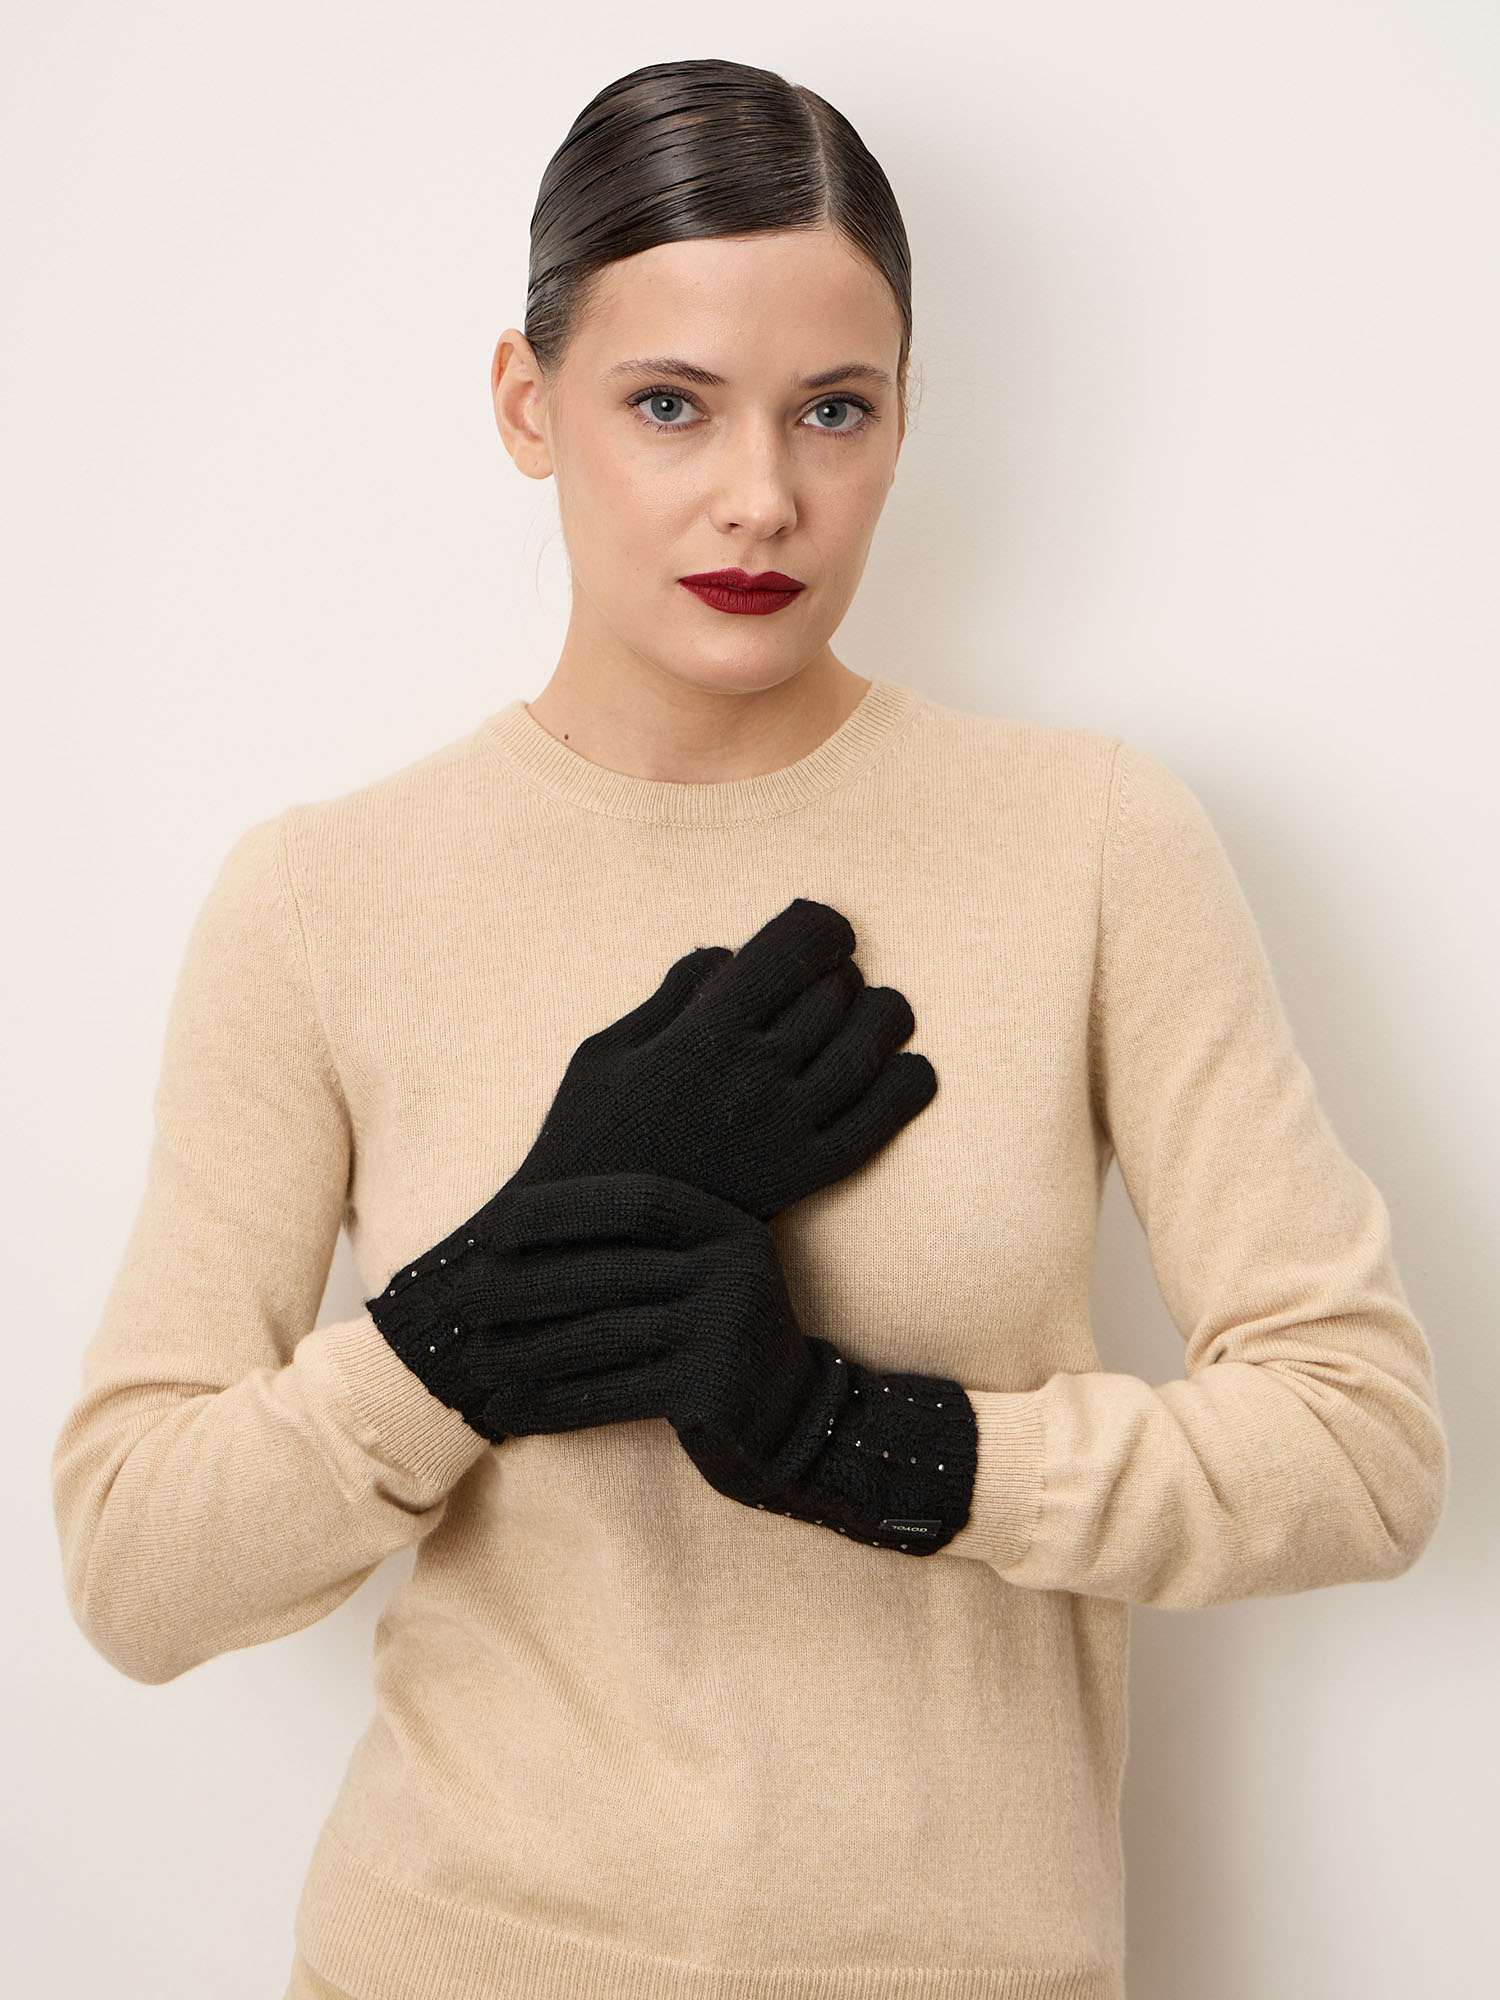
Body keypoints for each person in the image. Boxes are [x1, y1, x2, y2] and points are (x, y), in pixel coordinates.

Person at [51, 56, 1449, 2000]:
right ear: (527, 405)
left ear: (905, 418)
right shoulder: (321, 897)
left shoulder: (1093, 843)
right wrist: (473, 1321)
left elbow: (1362, 1448)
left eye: (832, 409)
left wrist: (862, 1442)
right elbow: (135, 1567)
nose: (761, 497)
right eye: (669, 404)